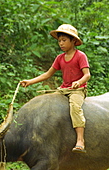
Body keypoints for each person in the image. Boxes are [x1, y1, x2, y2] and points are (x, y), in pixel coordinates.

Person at [20, 24, 91, 154]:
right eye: (59, 41)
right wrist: (30, 82)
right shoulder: (60, 58)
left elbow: (87, 75)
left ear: (73, 41)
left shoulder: (80, 56)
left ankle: (80, 140)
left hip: (77, 90)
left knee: (75, 108)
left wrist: (78, 82)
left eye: (64, 40)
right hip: (63, 89)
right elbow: (47, 74)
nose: (61, 43)